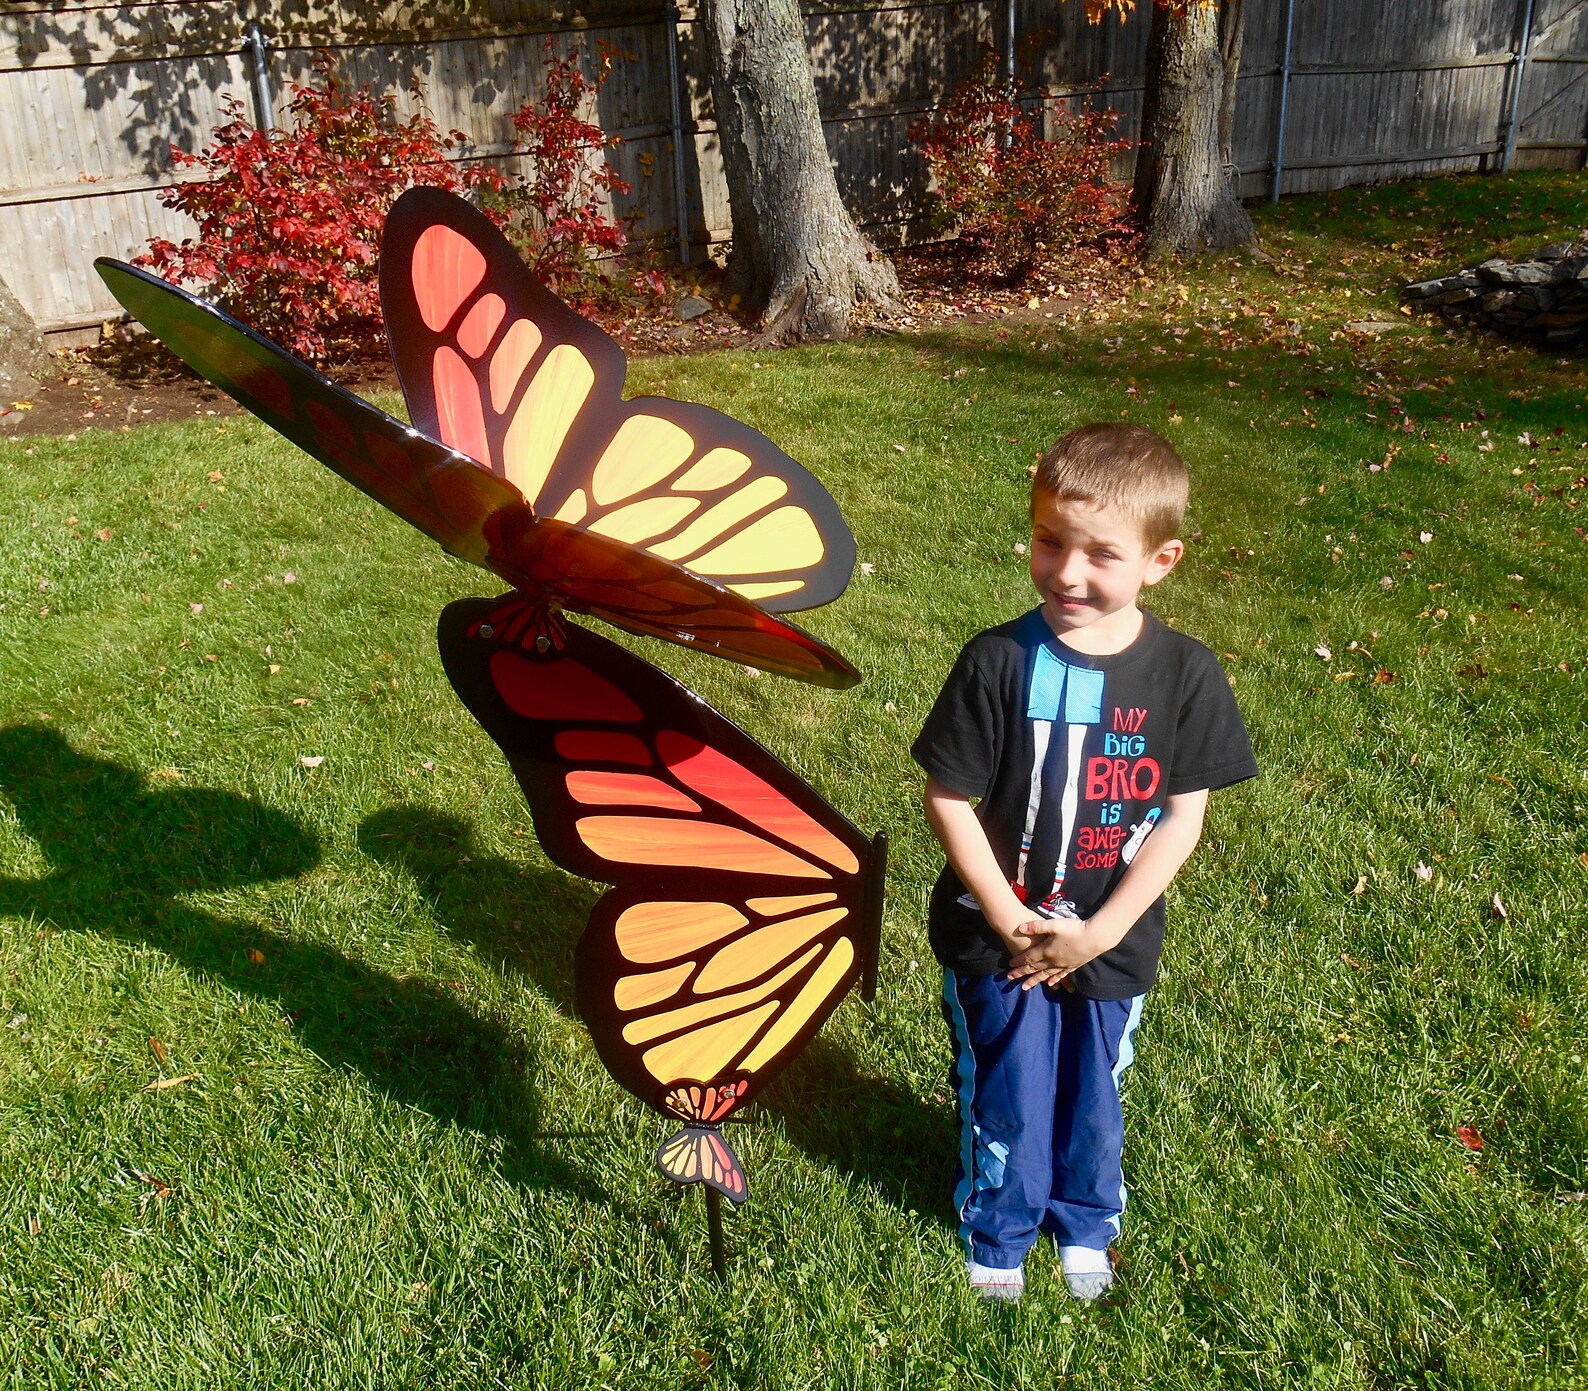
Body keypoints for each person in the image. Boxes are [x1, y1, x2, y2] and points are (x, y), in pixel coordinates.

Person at [912, 422, 1257, 1302]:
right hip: (1000, 939)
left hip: (1113, 939)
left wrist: (1100, 931)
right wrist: (1003, 912)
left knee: (1093, 1092)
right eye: (1048, 541)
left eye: (1101, 553)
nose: (1067, 572)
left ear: (1161, 559)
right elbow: (948, 796)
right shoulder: (997, 661)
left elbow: (1184, 815)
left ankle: (1085, 1217)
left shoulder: (1185, 675)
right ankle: (1000, 1228)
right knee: (1011, 1083)